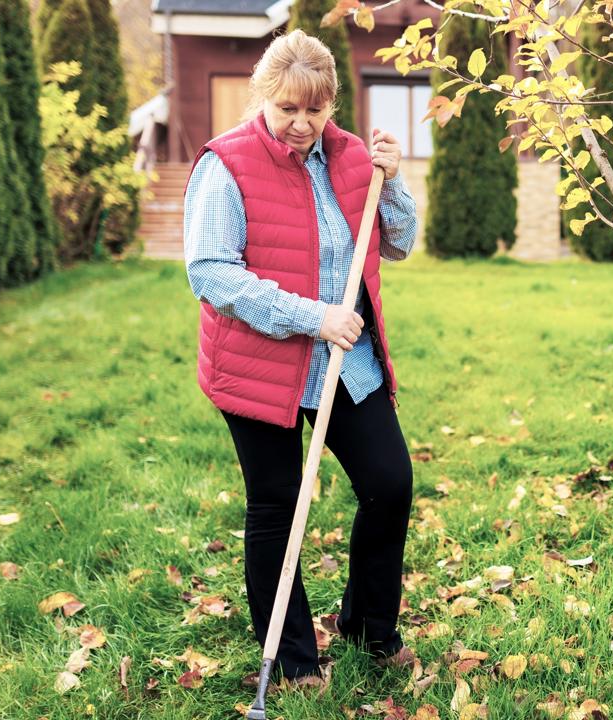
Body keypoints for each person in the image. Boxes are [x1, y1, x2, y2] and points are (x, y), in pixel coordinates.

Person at [183, 29, 418, 689]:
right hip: (261, 364)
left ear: (331, 103)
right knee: (278, 506)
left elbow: (399, 242)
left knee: (389, 484)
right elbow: (210, 274)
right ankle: (291, 660)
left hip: (347, 360)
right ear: (264, 96)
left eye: (313, 109)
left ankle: (368, 625)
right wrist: (312, 318)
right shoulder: (225, 165)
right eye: (287, 107)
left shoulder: (350, 157)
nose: (300, 123)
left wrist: (392, 182)